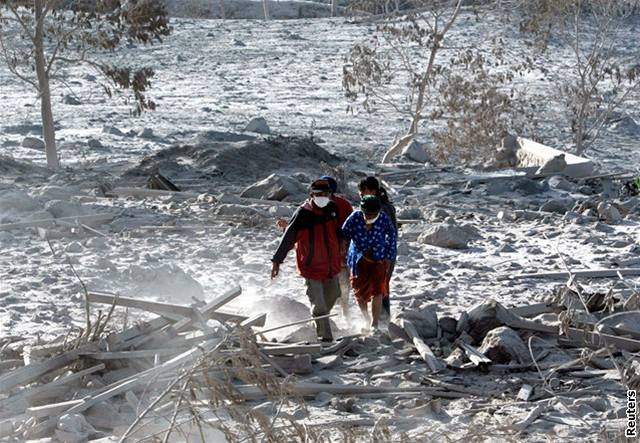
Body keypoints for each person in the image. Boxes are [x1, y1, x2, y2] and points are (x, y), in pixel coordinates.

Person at [271, 178, 342, 342]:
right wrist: (277, 261)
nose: (323, 197)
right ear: (312, 195)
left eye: (326, 194)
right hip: (310, 266)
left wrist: (342, 245)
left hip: (331, 264)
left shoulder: (332, 208)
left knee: (333, 295)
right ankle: (325, 337)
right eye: (319, 194)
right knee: (319, 305)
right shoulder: (303, 213)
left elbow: (337, 231)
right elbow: (288, 238)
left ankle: (318, 323)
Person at [341, 195, 397, 333]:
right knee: (359, 292)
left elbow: (392, 236)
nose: (370, 216)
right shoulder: (355, 217)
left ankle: (375, 323)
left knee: (378, 290)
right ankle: (366, 318)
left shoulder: (383, 218)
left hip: (378, 259)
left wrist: (389, 257)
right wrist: (342, 252)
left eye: (373, 214)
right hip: (358, 260)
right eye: (367, 214)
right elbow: (343, 234)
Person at [357, 177, 397, 318]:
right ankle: (378, 318)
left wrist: (387, 256)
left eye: (363, 191)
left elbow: (391, 235)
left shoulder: (383, 208)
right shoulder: (372, 206)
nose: (361, 194)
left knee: (380, 286)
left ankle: (382, 318)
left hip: (383, 254)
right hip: (372, 254)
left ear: (371, 190)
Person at [319, 176, 354, 319]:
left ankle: (326, 316)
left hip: (325, 254)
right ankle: (344, 315)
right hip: (341, 253)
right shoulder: (344, 204)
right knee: (343, 287)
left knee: (325, 287)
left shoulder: (316, 205)